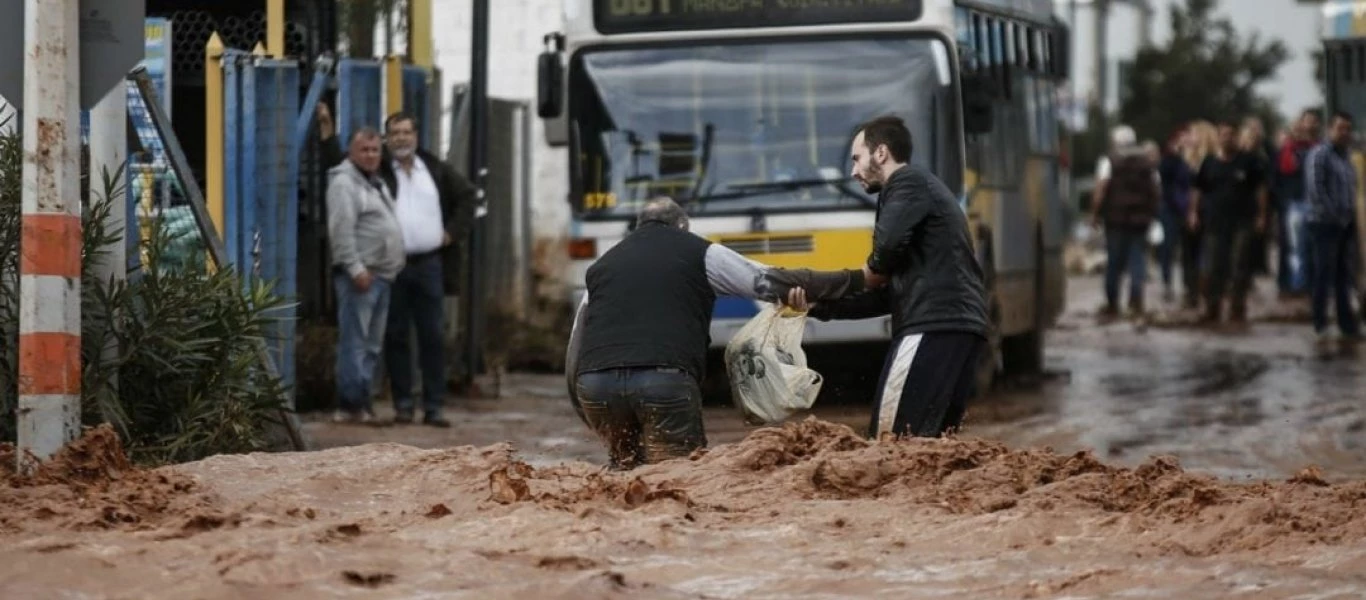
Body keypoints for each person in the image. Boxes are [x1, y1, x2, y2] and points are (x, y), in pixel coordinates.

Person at [564, 197, 868, 470]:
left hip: (596, 387)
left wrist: (587, 408)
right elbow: (772, 280)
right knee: (677, 478)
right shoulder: (699, 251)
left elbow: (576, 345)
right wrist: (858, 279)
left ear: (637, 226)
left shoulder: (601, 266)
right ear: (682, 226)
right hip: (663, 382)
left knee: (623, 473)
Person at [788, 115, 989, 440]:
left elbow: (883, 256)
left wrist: (854, 275)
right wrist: (819, 306)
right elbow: (887, 294)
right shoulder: (919, 195)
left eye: (857, 158)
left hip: (932, 327)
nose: (853, 171)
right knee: (930, 446)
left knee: (890, 441)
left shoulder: (906, 183)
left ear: (881, 153)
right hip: (957, 329)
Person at [377, 112, 477, 427]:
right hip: (394, 265)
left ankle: (434, 406)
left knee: (432, 335)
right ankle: (403, 405)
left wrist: (451, 233)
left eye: (406, 132)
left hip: (429, 264)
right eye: (395, 133)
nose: (401, 138)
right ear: (387, 139)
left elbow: (468, 197)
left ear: (416, 136)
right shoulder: (379, 171)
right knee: (396, 335)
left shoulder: (434, 169)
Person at [326, 127, 406, 423]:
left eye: (375, 150)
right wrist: (355, 268)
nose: (371, 155)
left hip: (381, 276)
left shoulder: (374, 182)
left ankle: (363, 402)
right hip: (361, 277)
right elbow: (341, 231)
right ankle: (350, 405)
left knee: (371, 345)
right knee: (355, 342)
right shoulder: (344, 183)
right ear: (351, 152)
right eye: (364, 150)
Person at [1188, 119, 1269, 324]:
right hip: (1215, 222)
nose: (1227, 139)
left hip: (1243, 221)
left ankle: (1237, 308)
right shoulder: (1209, 162)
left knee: (1239, 264)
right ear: (1218, 137)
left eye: (1231, 135)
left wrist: (1261, 215)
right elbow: (1197, 189)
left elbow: (1260, 189)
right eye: (1223, 135)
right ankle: (1212, 307)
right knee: (1213, 266)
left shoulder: (1248, 161)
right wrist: (1193, 213)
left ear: (1236, 137)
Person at [1090, 125, 1161, 318]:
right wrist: (1152, 213)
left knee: (1114, 260)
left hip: (1115, 218)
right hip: (1140, 219)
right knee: (1137, 258)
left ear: (1115, 142)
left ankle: (1112, 302)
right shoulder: (1146, 162)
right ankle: (1135, 300)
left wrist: (1095, 214)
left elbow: (1101, 188)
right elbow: (1156, 189)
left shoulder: (1109, 160)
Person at [1303, 111, 1362, 342]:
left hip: (1345, 223)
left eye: (1347, 128)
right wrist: (1335, 216)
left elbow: (1351, 189)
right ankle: (1319, 323)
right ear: (1330, 129)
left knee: (1343, 276)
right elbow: (1316, 191)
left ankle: (1347, 325)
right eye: (1340, 128)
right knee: (1323, 273)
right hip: (1324, 224)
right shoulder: (1320, 154)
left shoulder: (1346, 157)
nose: (1344, 133)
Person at [1275, 108, 1322, 297]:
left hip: (1314, 203)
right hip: (1293, 203)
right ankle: (1293, 285)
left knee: (1312, 247)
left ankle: (1310, 285)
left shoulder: (1318, 148)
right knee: (1293, 247)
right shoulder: (1286, 150)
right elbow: (1278, 176)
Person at [1158, 127, 1197, 307]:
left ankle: (1189, 284)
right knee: (1169, 246)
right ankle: (1167, 282)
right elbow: (1164, 178)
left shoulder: (1193, 159)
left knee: (1189, 249)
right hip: (1171, 209)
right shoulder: (1169, 160)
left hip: (1187, 209)